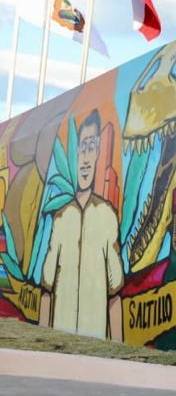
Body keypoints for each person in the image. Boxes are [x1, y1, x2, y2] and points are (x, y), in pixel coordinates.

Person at [39, 110, 124, 340]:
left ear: (97, 154)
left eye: (91, 147)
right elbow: (46, 291)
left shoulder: (107, 215)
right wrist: (41, 340)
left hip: (94, 348)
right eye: (82, 147)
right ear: (76, 154)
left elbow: (115, 294)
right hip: (59, 344)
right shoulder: (61, 218)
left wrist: (120, 350)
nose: (86, 157)